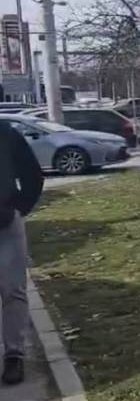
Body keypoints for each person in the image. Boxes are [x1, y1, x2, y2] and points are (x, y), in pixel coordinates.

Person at [0, 120, 45, 386]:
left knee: (12, 290)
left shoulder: (5, 133)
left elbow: (32, 174)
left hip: (5, 224)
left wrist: (18, 208)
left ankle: (14, 355)